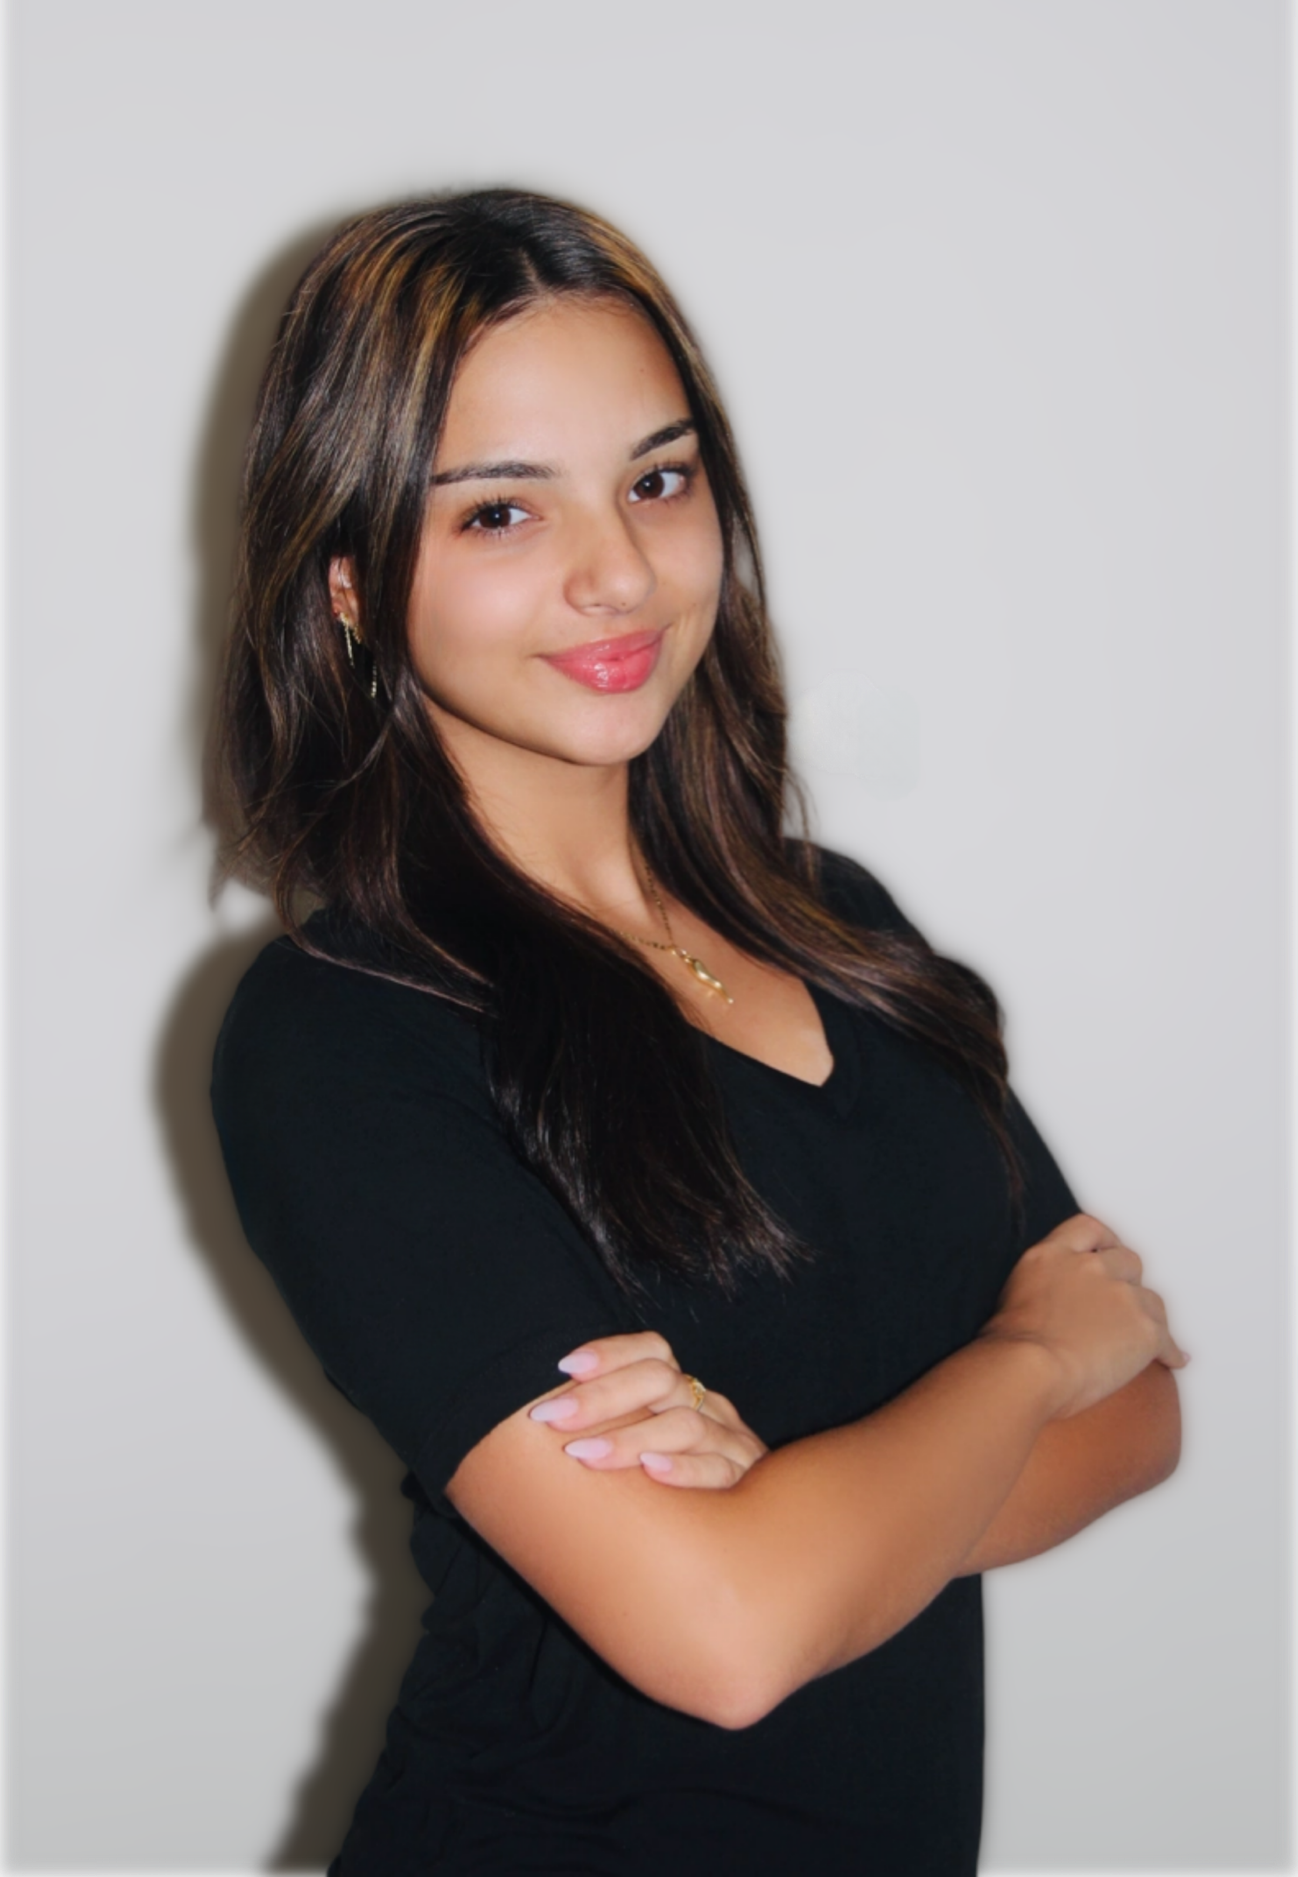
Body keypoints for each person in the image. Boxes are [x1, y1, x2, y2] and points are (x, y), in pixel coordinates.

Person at [209, 188, 1187, 1876]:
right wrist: (1016, 1366)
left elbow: (1142, 1406)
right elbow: (728, 1640)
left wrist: (809, 1507)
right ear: (354, 582)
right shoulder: (344, 1037)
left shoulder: (841, 925)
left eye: (656, 480)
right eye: (501, 513)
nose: (618, 573)